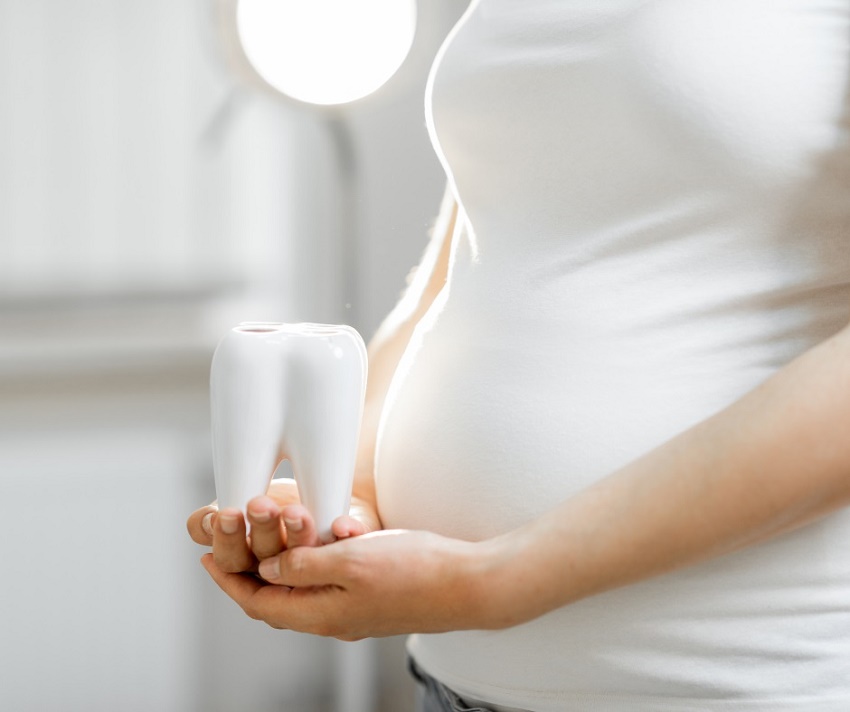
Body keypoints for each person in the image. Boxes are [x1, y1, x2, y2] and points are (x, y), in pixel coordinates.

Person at [188, 1, 850, 710]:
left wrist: (500, 580)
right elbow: (474, 251)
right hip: (457, 686)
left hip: (733, 683)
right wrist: (349, 497)